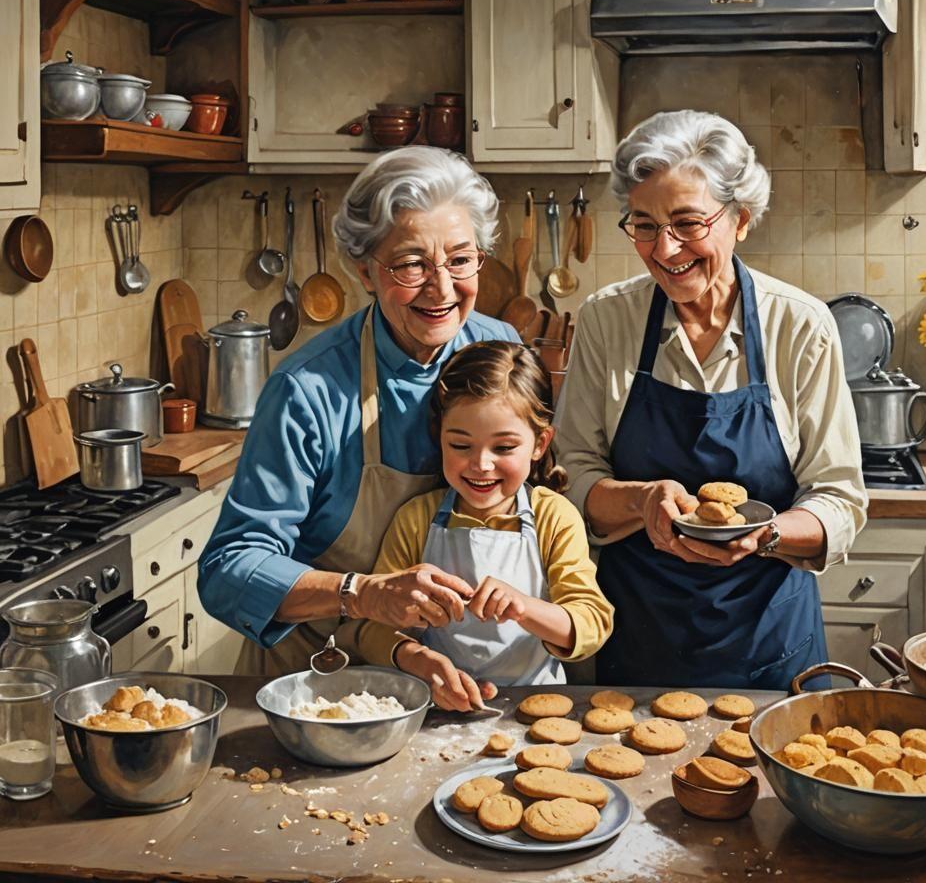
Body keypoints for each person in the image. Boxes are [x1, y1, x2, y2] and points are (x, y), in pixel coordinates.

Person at [555, 110, 867, 689]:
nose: (664, 248)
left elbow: (841, 498)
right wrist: (640, 499)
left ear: (741, 219)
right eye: (643, 224)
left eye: (687, 222)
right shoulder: (606, 319)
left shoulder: (800, 325)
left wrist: (765, 535)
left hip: (770, 635)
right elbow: (572, 474)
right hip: (638, 633)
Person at [197, 148, 520, 674]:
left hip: (459, 671)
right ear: (365, 271)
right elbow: (228, 570)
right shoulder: (307, 391)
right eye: (412, 264)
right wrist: (362, 594)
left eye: (461, 260)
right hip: (322, 674)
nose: (441, 289)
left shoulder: (499, 347)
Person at [359, 341, 613, 712]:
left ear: (540, 443)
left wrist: (524, 607)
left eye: (505, 448)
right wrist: (419, 661)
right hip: (436, 704)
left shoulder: (554, 518)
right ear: (439, 437)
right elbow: (372, 629)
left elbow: (591, 623)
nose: (481, 464)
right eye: (460, 445)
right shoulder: (415, 519)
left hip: (536, 706)